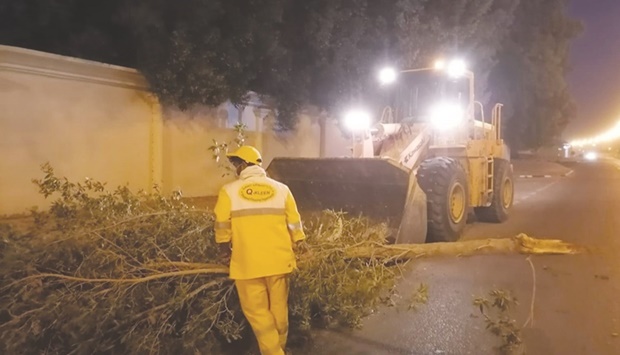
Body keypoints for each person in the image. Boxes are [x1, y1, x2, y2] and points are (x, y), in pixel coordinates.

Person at [213, 145, 306, 355]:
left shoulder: (229, 191)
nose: (236, 168)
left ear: (245, 164)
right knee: (279, 312)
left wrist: (224, 251)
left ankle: (274, 353)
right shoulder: (282, 189)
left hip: (248, 264)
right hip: (279, 261)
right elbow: (294, 222)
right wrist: (300, 242)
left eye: (237, 164)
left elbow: (221, 225)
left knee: (258, 314)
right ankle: (279, 348)